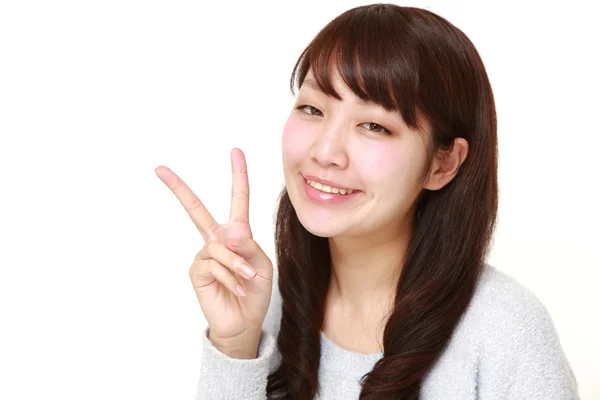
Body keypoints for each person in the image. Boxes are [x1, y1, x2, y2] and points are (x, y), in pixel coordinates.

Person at [155, 3, 579, 399]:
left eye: (374, 125)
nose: (325, 152)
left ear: (443, 163)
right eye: (312, 109)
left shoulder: (504, 330)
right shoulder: (272, 305)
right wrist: (235, 345)